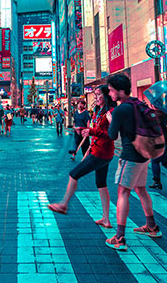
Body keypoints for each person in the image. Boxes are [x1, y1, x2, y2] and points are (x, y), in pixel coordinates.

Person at [106, 74, 161, 249]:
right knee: (141, 189)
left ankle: (120, 237)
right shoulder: (138, 103)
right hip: (144, 154)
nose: (110, 93)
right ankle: (151, 226)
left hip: (130, 156)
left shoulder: (121, 109)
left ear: (120, 91)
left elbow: (112, 135)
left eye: (112, 90)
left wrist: (110, 120)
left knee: (122, 193)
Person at [48, 85, 116, 228]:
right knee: (101, 184)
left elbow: (112, 135)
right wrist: (89, 135)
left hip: (102, 153)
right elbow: (97, 131)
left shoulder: (110, 112)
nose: (96, 97)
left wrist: (91, 132)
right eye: (95, 94)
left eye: (98, 94)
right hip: (101, 151)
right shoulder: (99, 111)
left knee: (74, 174)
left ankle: (64, 204)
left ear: (107, 96)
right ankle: (106, 219)